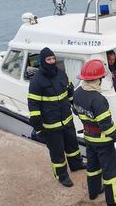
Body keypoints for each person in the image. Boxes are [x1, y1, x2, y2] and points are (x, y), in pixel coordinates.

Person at [73, 59, 116, 206]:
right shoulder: (99, 99)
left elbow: (76, 112)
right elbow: (106, 126)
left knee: (92, 167)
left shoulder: (77, 93)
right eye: (101, 78)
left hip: (89, 139)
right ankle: (114, 200)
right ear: (97, 79)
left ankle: (94, 192)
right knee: (110, 172)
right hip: (103, 142)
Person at [27, 47, 85, 188]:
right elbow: (33, 107)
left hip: (67, 120)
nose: (52, 61)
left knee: (72, 145)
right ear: (43, 61)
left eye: (53, 59)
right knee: (57, 152)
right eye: (48, 59)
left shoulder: (61, 74)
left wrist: (75, 107)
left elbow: (70, 91)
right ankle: (61, 175)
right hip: (51, 125)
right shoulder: (36, 81)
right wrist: (39, 128)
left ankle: (76, 164)